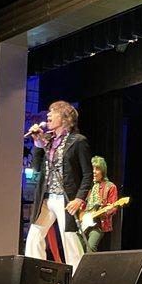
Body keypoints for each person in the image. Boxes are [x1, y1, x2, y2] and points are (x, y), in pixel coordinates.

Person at [25, 101, 92, 272]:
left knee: (68, 237)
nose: (48, 115)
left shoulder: (78, 141)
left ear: (65, 118)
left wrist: (79, 198)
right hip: (46, 198)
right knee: (34, 235)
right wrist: (38, 143)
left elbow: (87, 175)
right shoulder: (47, 140)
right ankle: (34, 275)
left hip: (65, 198)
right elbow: (37, 165)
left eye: (52, 112)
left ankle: (78, 279)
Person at [81, 156, 118, 252]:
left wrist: (106, 210)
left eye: (97, 169)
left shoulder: (110, 186)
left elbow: (113, 208)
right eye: (92, 168)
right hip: (84, 223)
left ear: (103, 171)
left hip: (98, 224)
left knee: (90, 247)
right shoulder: (88, 186)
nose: (94, 171)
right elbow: (84, 205)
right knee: (77, 248)